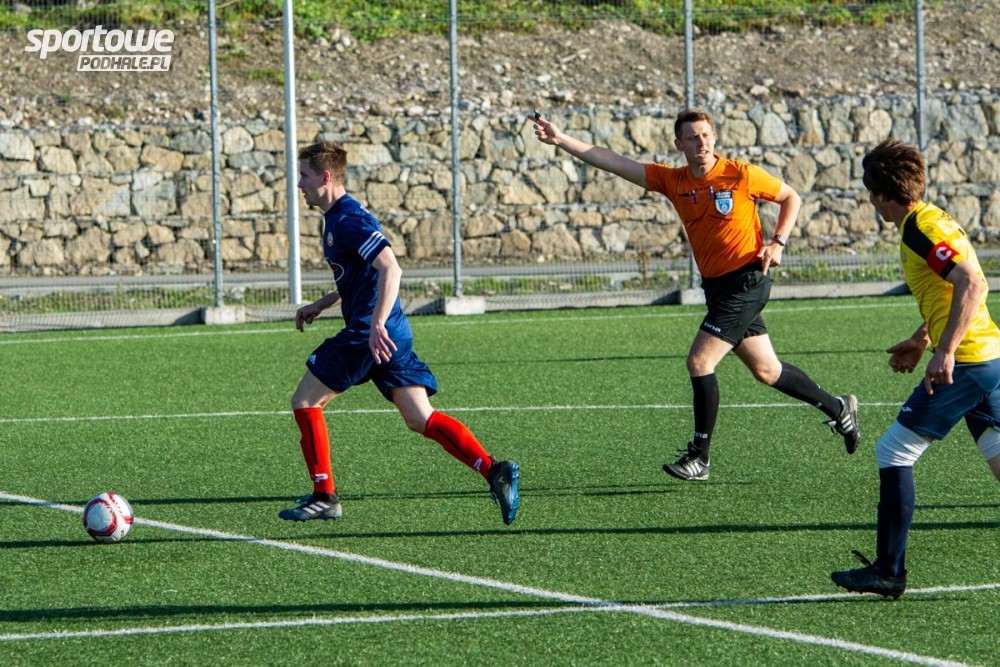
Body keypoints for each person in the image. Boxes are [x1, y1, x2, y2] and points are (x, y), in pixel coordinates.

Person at [530, 108, 859, 480]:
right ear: (679, 145)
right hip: (716, 288)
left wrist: (778, 242)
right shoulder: (674, 181)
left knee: (700, 362)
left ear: (714, 137)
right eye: (692, 137)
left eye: (706, 135)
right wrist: (561, 139)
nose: (701, 142)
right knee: (767, 370)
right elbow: (614, 161)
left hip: (747, 282)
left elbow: (790, 197)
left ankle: (699, 457)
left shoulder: (741, 174)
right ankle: (839, 409)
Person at [281, 141, 520, 525]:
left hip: (370, 333)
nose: (299, 185)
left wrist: (375, 325)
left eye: (304, 176)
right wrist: (322, 304)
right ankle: (494, 470)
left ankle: (324, 496)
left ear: (325, 177)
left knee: (305, 401)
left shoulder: (348, 219)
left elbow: (391, 268)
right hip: (392, 332)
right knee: (420, 418)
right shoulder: (338, 217)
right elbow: (362, 275)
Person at [830, 139, 1000, 599]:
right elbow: (952, 290)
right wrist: (922, 339)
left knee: (893, 452)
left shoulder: (918, 230)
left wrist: (945, 352)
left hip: (968, 361)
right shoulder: (931, 218)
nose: (872, 203)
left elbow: (972, 282)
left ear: (881, 195)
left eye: (871, 195)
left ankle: (889, 571)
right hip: (987, 356)